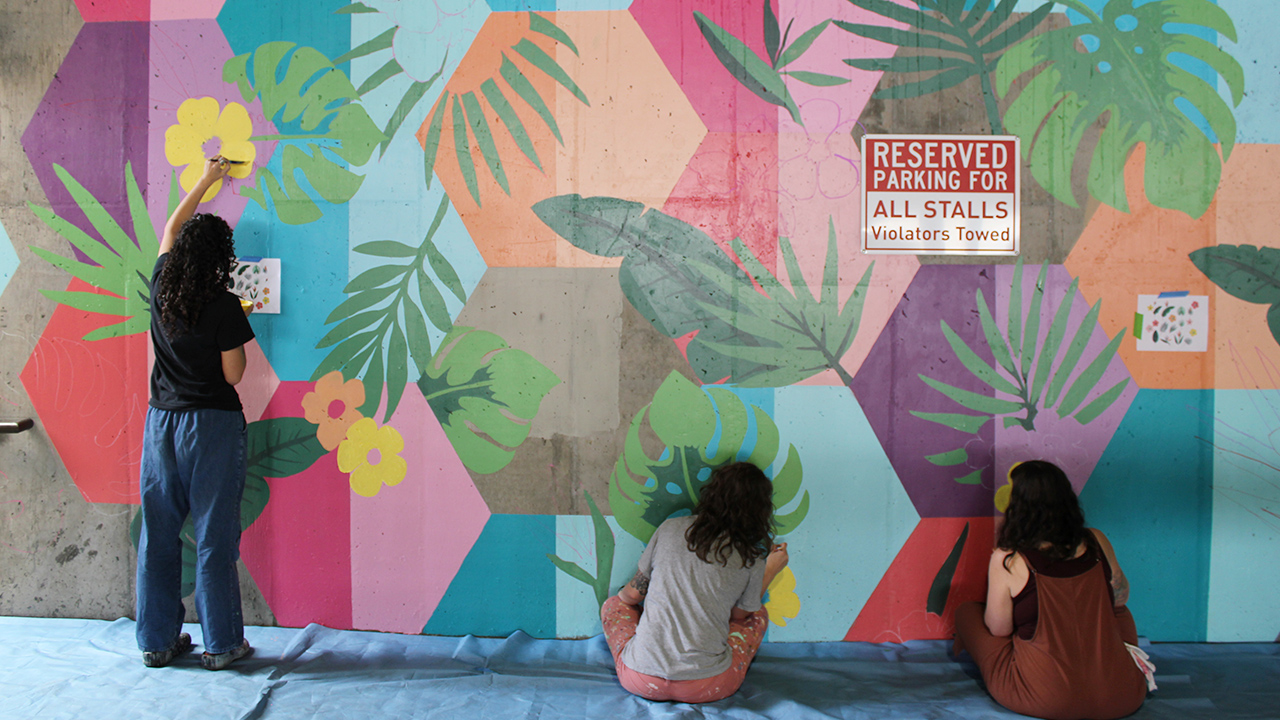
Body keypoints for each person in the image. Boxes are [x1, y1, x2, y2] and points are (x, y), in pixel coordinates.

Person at [135, 156, 256, 670]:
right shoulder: (224, 303)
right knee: (212, 536)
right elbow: (234, 375)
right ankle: (222, 645)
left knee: (159, 533)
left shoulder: (162, 281)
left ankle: (157, 643)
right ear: (221, 258)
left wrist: (207, 179)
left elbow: (169, 226)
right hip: (210, 426)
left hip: (161, 424)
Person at [953, 460, 1151, 720]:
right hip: (1123, 697)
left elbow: (999, 629)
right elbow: (1120, 597)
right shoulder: (1096, 539)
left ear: (1016, 507)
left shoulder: (1008, 558)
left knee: (968, 613)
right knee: (1120, 613)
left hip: (1044, 700)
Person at [601, 461, 790, 703]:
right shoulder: (751, 556)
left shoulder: (670, 529)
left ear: (711, 494)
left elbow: (631, 596)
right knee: (757, 614)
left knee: (613, 605)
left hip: (640, 680)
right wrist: (771, 568)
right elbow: (740, 616)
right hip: (709, 686)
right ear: (760, 509)